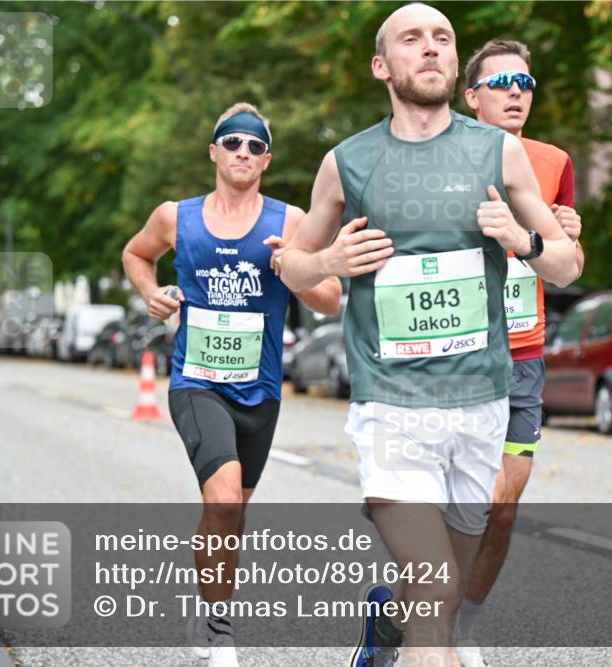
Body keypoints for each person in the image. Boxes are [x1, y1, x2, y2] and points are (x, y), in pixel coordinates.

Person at [280, 5, 579, 666]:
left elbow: (567, 264)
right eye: (412, 39)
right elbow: (293, 262)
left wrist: (523, 240)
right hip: (391, 407)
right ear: (383, 66)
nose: (432, 48)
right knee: (435, 583)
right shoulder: (346, 161)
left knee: (437, 600)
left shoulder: (497, 151)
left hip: (480, 406)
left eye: (442, 38)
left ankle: (388, 634)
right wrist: (327, 262)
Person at [121, 102, 341, 667]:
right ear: (214, 151)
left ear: (267, 159)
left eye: (255, 145)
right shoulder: (176, 216)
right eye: (232, 142)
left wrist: (291, 269)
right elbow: (135, 253)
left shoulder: (289, 222)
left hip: (260, 389)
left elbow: (330, 297)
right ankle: (220, 634)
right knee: (221, 499)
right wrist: (150, 292)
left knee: (234, 512)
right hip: (196, 380)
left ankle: (208, 602)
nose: (243, 152)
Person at [454, 38, 584, 667]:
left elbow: (569, 261)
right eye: (502, 82)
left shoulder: (553, 160)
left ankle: (462, 629)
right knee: (458, 509)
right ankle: (405, 614)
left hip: (524, 353)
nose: (516, 93)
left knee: (502, 507)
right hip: (454, 354)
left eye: (526, 84)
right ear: (471, 95)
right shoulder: (435, 154)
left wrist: (552, 237)